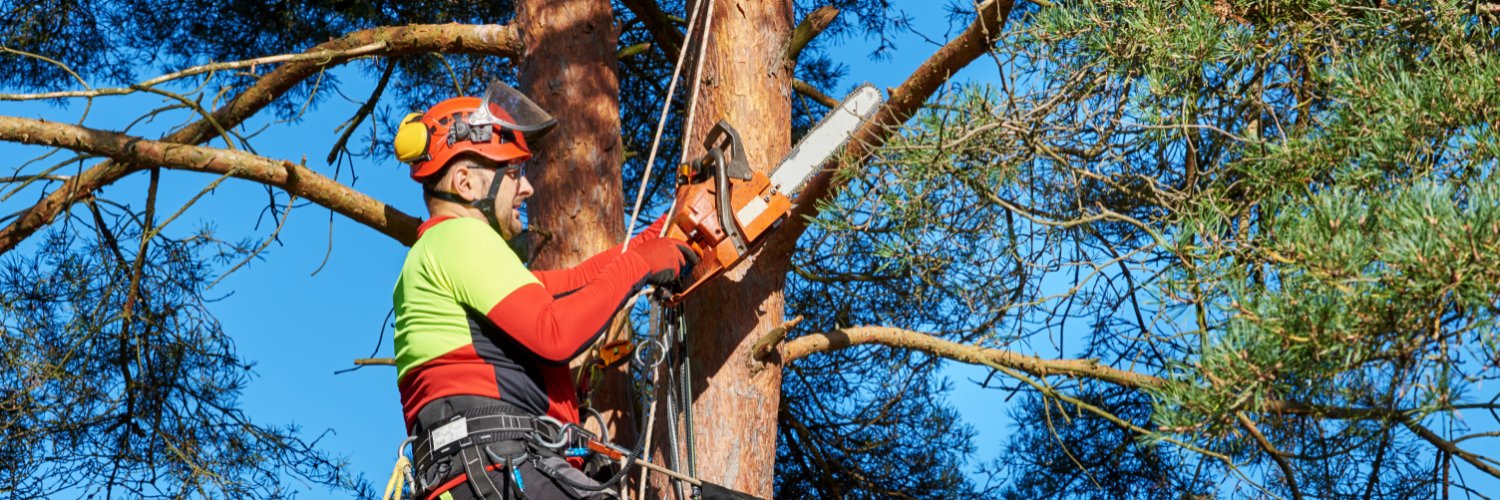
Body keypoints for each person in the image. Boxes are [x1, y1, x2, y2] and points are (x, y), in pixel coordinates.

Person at [390, 82, 696, 500]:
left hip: (487, 475)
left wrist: (665, 231)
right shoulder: (458, 238)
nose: (527, 188)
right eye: (513, 173)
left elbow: (571, 288)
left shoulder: (443, 255)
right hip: (499, 469)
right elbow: (556, 332)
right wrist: (638, 264)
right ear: (465, 183)